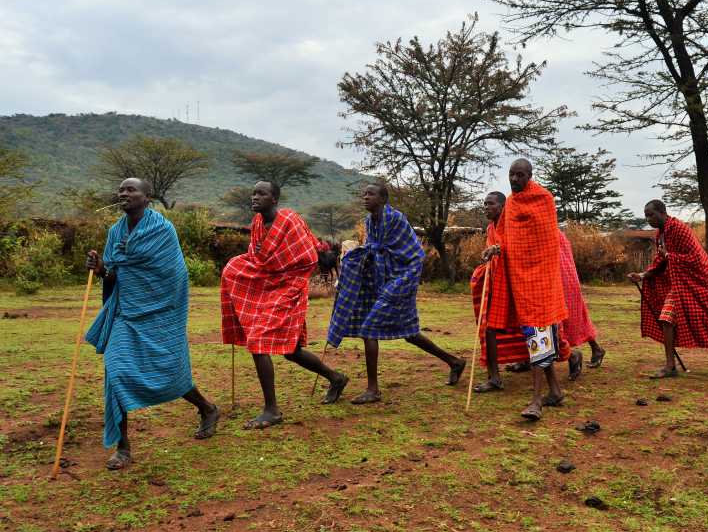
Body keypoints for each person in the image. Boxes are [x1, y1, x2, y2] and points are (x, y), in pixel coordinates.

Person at [85, 178, 219, 470]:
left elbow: (174, 274)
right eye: (121, 190)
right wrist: (101, 269)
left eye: (131, 190)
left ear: (147, 197)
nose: (124, 194)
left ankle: (207, 408)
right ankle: (123, 447)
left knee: (171, 369)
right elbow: (113, 274)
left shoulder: (162, 230)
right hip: (126, 313)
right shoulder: (114, 232)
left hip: (161, 312)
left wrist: (160, 304)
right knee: (116, 371)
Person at [221, 181, 349, 429]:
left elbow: (308, 258)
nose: (255, 197)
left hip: (290, 288)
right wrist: (237, 269)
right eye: (254, 192)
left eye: (262, 193)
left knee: (258, 342)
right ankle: (336, 378)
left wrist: (278, 273)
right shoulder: (257, 223)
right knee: (290, 350)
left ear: (274, 199)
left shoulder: (290, 221)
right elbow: (257, 258)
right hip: (268, 285)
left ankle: (272, 410)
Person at [327, 182, 466, 404]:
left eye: (370, 194)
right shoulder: (369, 222)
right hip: (382, 280)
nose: (365, 197)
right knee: (409, 332)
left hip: (402, 278)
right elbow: (374, 251)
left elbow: (415, 254)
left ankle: (373, 389)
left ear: (383, 199)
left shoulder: (395, 219)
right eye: (364, 194)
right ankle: (454, 362)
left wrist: (402, 281)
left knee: (369, 328)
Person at [480, 159, 573, 420]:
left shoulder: (543, 199)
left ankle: (536, 401)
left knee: (537, 337)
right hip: (521, 281)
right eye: (511, 174)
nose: (514, 179)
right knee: (537, 339)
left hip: (542, 281)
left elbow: (545, 240)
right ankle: (554, 391)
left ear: (530, 176)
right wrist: (497, 248)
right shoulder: (510, 204)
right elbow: (511, 239)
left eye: (520, 175)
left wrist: (515, 251)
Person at [627, 200, 708, 377]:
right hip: (681, 283)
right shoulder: (661, 234)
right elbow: (661, 260)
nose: (648, 219)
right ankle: (670, 366)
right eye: (646, 216)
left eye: (651, 215)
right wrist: (642, 275)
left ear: (663, 212)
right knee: (666, 319)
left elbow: (694, 257)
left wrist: (669, 256)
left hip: (702, 280)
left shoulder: (679, 229)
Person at [470, 191, 578, 393]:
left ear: (502, 207)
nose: (486, 207)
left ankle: (571, 356)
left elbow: (518, 248)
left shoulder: (513, 225)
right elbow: (496, 253)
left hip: (523, 284)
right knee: (490, 328)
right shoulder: (490, 228)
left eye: (490, 204)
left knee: (539, 331)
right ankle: (494, 378)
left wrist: (498, 249)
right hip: (501, 285)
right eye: (484, 203)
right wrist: (489, 257)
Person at [557, 228, 606, 377]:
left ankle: (573, 355)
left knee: (567, 321)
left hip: (562, 281)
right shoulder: (557, 233)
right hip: (567, 280)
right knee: (577, 317)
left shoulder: (552, 233)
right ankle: (596, 349)